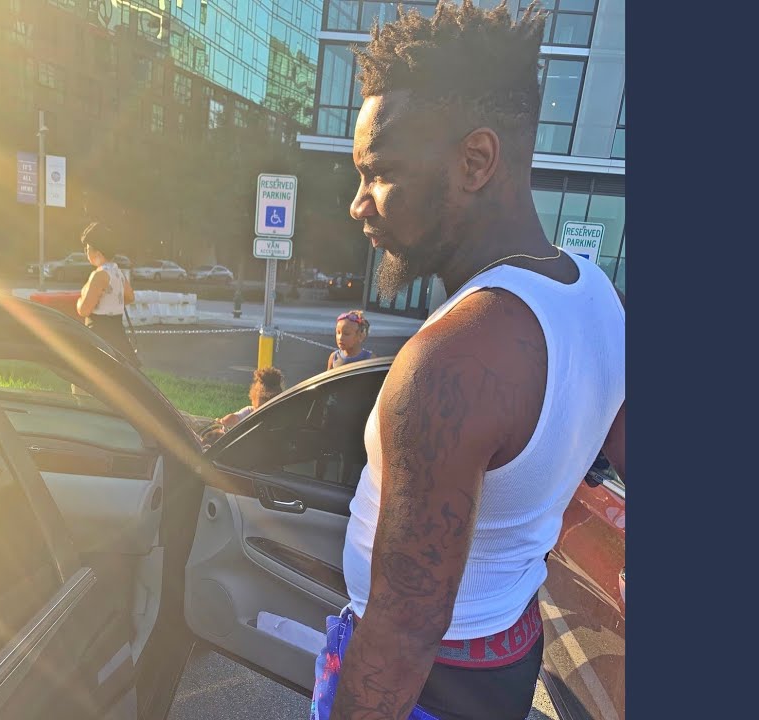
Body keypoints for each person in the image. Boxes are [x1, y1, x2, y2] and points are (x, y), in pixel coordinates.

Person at [311, 3, 625, 720]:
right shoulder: (596, 294)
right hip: (509, 649)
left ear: (476, 161)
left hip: (430, 687)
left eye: (380, 173)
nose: (359, 204)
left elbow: (405, 630)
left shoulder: (452, 360)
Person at [76, 221, 138, 365]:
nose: (86, 252)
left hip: (99, 333)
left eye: (87, 249)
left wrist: (79, 300)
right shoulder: (118, 273)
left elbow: (84, 310)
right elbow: (130, 297)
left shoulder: (99, 275)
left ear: (97, 253)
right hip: (118, 332)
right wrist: (112, 305)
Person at [218, 366, 285, 430]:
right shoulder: (249, 412)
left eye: (265, 410)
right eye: (258, 409)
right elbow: (235, 417)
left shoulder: (281, 419)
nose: (260, 414)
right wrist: (222, 422)